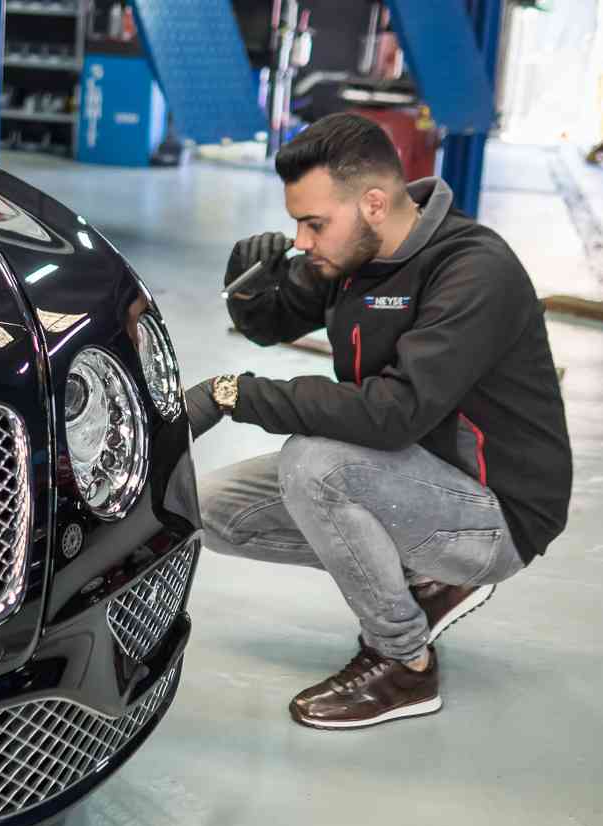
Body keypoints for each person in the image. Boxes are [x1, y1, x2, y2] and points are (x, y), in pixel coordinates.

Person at [186, 113, 572, 730]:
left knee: (316, 464)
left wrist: (231, 394)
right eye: (297, 225)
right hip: (407, 481)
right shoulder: (358, 254)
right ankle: (424, 576)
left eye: (314, 224)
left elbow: (392, 417)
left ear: (372, 203)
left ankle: (403, 665)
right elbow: (274, 325)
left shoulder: (473, 270)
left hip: (496, 514)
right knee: (201, 509)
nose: (304, 242)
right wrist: (249, 290)